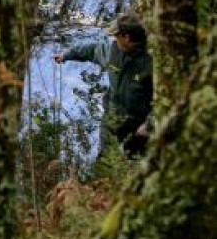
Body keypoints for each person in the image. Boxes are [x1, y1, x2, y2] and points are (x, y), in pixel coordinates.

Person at [54, 13, 153, 157]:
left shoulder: (152, 61)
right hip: (111, 119)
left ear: (127, 38)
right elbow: (92, 50)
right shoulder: (113, 50)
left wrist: (149, 125)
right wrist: (67, 55)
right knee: (105, 160)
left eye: (117, 36)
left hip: (139, 125)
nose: (114, 39)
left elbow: (166, 99)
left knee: (135, 161)